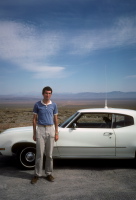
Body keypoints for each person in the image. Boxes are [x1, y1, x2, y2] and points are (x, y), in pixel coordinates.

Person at [31, 86, 59, 184]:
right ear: (43, 94)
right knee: (39, 154)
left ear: (51, 94)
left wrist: (56, 132)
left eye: (49, 93)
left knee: (49, 155)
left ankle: (48, 173)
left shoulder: (54, 105)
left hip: (51, 129)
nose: (48, 95)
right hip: (40, 129)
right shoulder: (37, 104)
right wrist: (34, 133)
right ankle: (37, 174)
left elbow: (56, 119)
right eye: (46, 93)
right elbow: (34, 119)